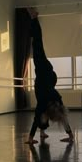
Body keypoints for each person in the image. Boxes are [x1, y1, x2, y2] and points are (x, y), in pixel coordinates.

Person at [25, 8, 74, 145]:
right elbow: (37, 118)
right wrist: (29, 138)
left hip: (50, 78)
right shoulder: (44, 103)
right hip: (44, 72)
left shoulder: (57, 100)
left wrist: (70, 135)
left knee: (37, 44)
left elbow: (63, 118)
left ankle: (42, 132)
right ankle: (34, 18)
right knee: (37, 44)